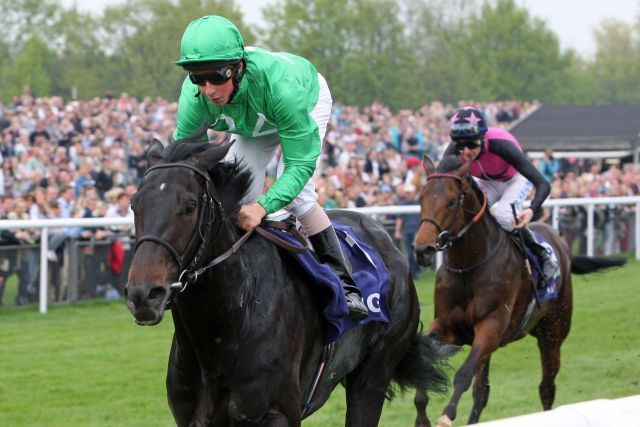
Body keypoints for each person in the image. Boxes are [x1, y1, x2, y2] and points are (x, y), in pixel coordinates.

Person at [172, 15, 367, 320]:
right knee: (235, 194)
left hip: (305, 100)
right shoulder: (194, 99)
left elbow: (300, 164)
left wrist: (263, 206)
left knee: (298, 194)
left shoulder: (281, 88)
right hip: (255, 125)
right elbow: (185, 161)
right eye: (198, 78)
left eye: (216, 76)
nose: (208, 89)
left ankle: (345, 283)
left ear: (238, 67)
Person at [443, 106, 558, 286]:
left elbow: (543, 183)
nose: (466, 151)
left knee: (503, 215)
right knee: (468, 213)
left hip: (514, 179)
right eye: (460, 145)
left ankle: (541, 253)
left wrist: (531, 209)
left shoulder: (500, 145)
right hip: (485, 181)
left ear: (482, 137)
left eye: (472, 144)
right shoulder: (452, 151)